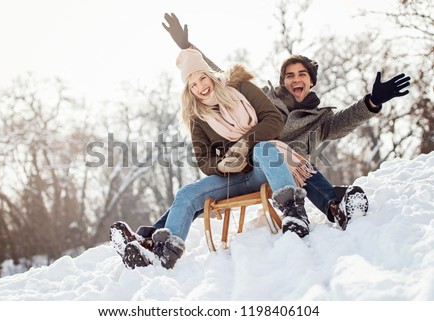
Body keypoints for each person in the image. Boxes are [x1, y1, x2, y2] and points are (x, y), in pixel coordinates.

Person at [156, 12, 411, 230]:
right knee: (195, 192)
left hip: (294, 176)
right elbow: (216, 78)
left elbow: (347, 120)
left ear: (311, 82)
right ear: (282, 81)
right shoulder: (263, 101)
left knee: (299, 164)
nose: (295, 79)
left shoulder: (320, 120)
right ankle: (154, 234)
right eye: (289, 75)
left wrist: (372, 102)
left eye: (302, 74)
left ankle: (336, 208)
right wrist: (188, 49)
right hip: (250, 167)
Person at [110, 48, 317, 270]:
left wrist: (244, 143)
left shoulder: (242, 89)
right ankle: (162, 254)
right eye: (193, 85)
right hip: (233, 178)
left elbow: (274, 119)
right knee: (186, 194)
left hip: (264, 169)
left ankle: (295, 215)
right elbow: (203, 158)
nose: (200, 87)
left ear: (210, 75)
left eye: (202, 78)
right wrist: (220, 165)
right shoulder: (198, 117)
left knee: (263, 149)